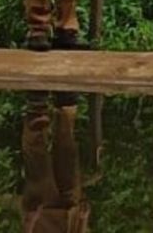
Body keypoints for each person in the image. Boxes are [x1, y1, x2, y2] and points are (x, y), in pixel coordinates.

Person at [23, 92, 90, 232]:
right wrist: (83, 220)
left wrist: (30, 219)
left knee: (38, 160)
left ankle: (37, 106)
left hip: (42, 214)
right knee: (68, 155)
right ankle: (66, 105)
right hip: (69, 213)